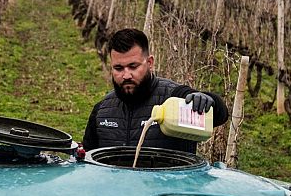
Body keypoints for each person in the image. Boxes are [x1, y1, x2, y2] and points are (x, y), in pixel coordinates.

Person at [82, 28, 228, 154]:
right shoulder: (102, 110)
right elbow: (88, 162)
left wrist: (208, 100)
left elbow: (220, 115)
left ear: (150, 63)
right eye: (118, 68)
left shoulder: (174, 97)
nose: (126, 75)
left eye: (133, 66)